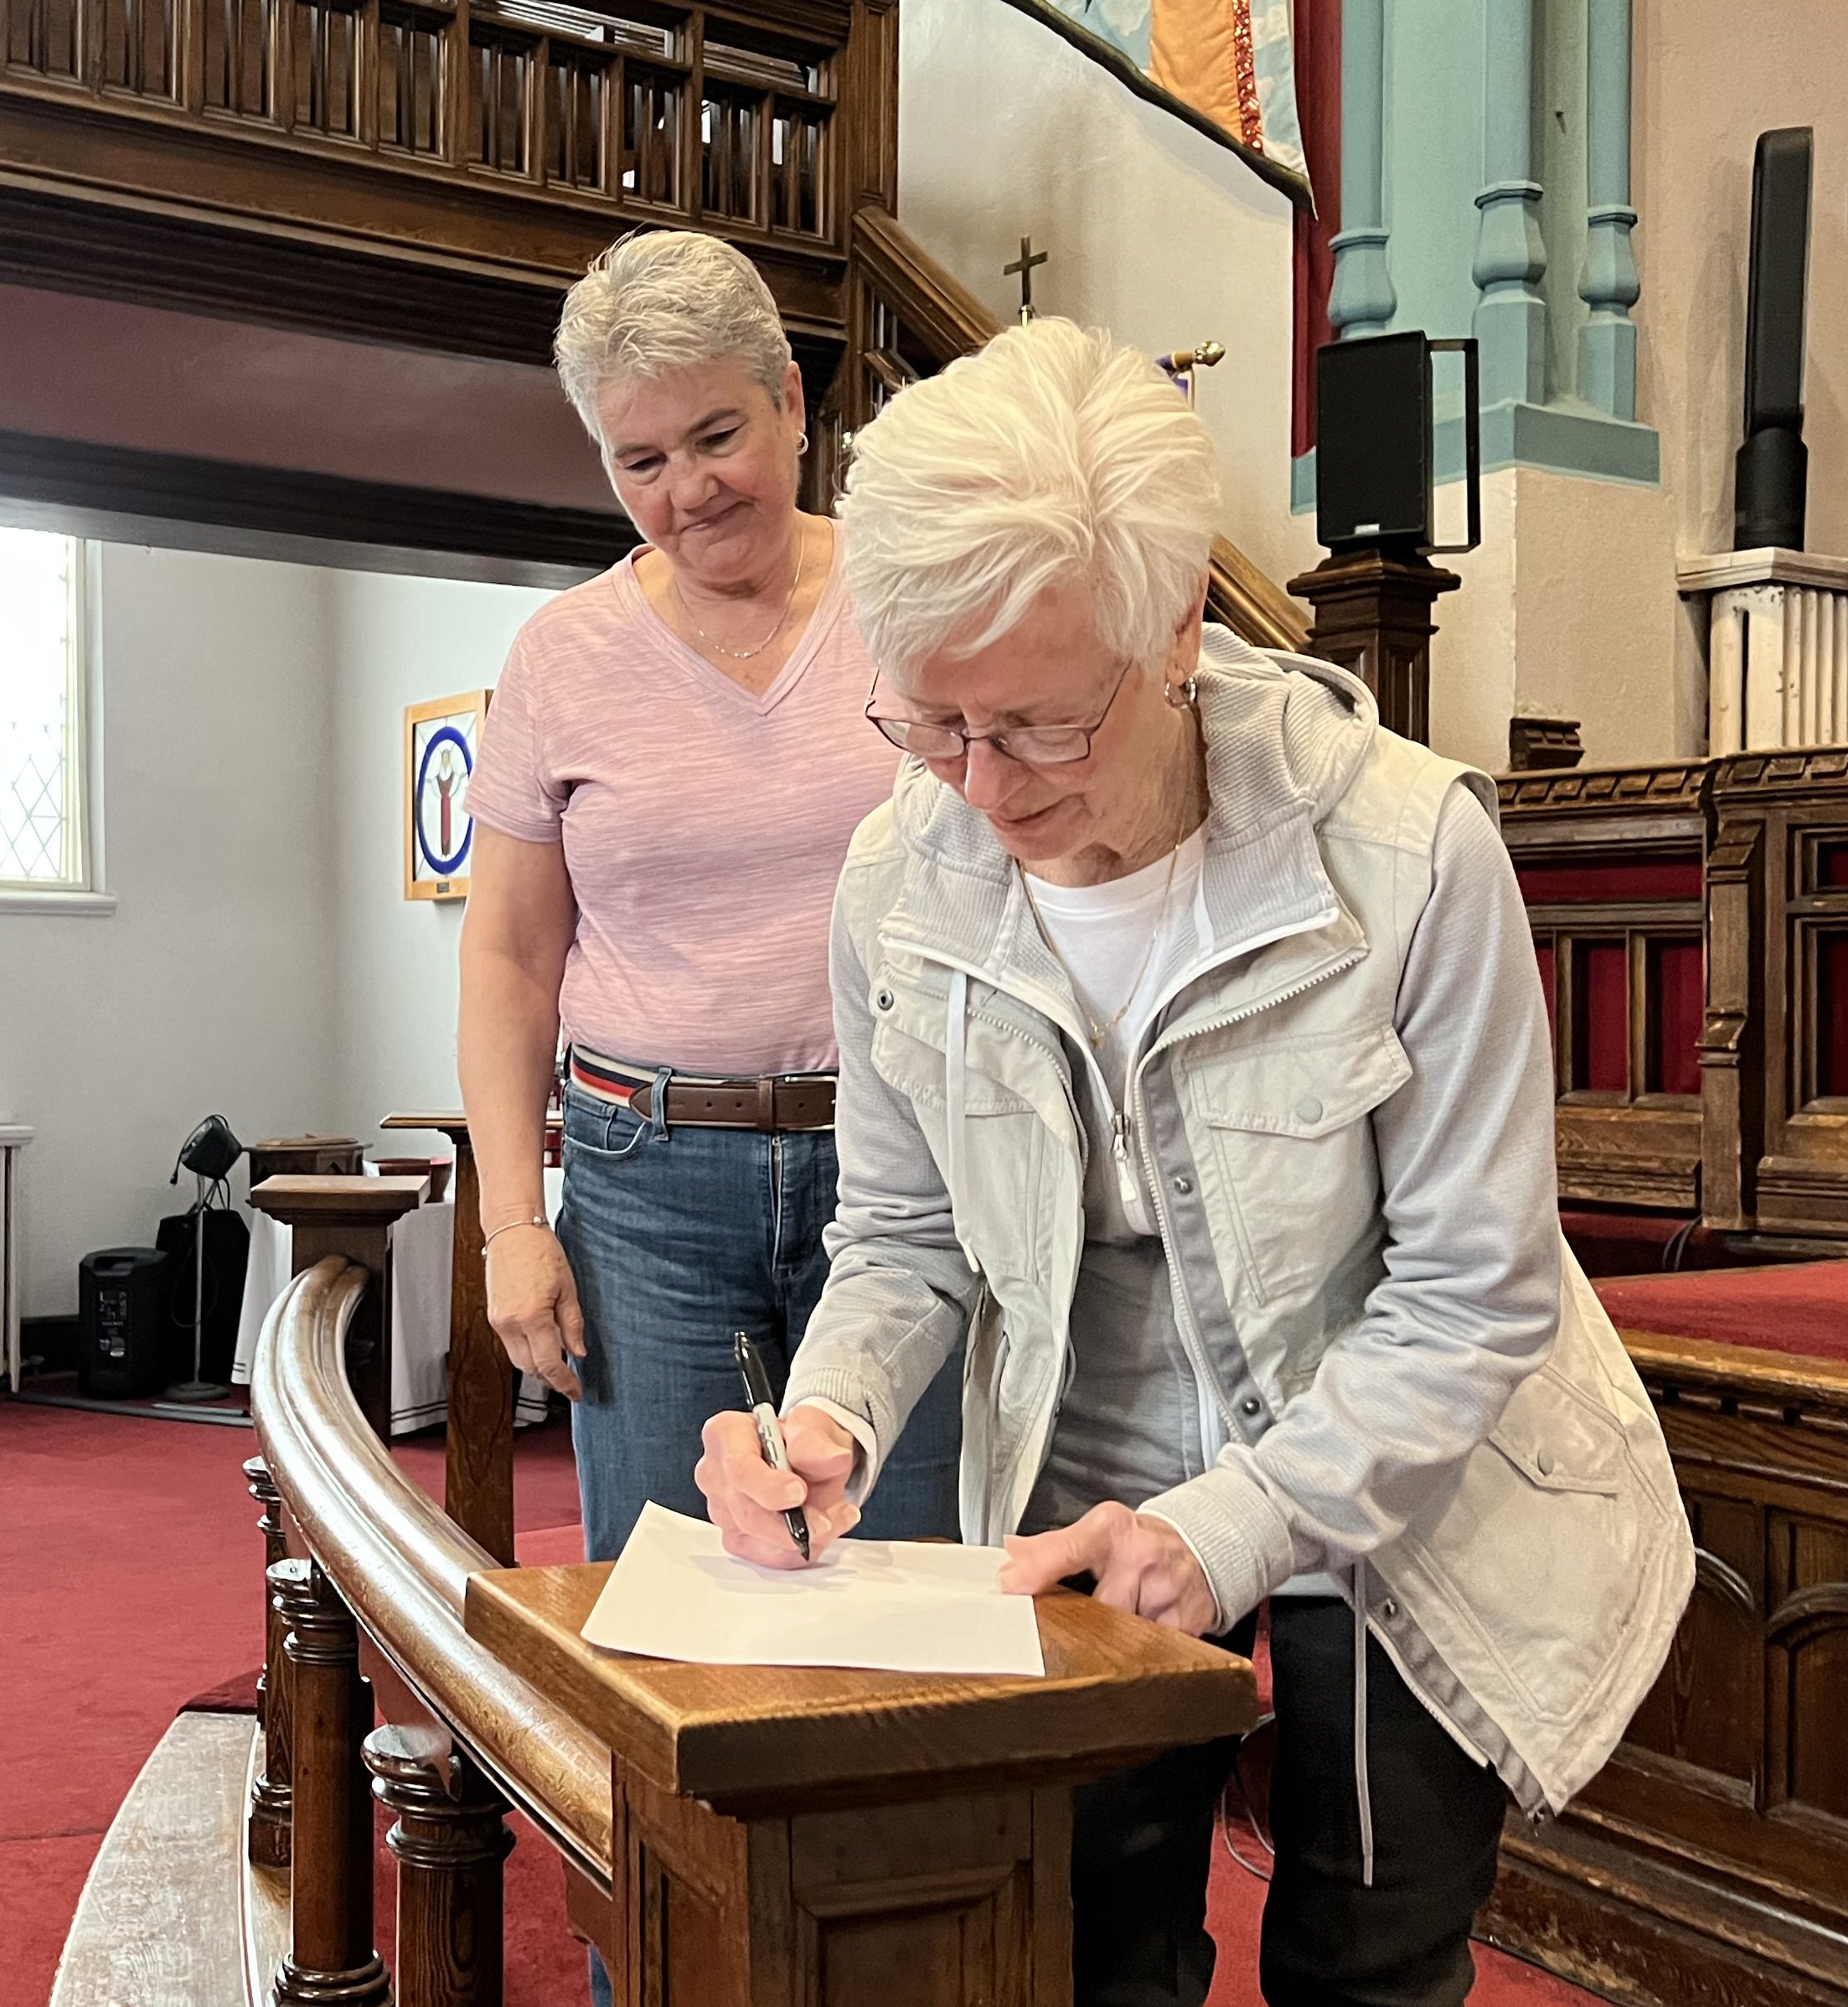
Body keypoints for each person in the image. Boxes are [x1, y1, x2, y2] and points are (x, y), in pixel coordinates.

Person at [690, 318, 1691, 2007]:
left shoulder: (1405, 851)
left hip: (1409, 1488)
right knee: (1088, 1944)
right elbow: (905, 1230)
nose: (981, 789)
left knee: (1362, 1961)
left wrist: (1234, 1526)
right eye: (930, 725)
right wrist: (832, 1414)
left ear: (1176, 630)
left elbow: (1469, 1295)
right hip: (1087, 1470)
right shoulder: (900, 874)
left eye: (1036, 727)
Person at [457, 229, 962, 1564]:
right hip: (646, 1183)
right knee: (672, 1593)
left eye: (717, 434)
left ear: (793, 400)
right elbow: (509, 961)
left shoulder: (914, 602)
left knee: (903, 1588)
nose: (688, 490)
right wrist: (513, 1223)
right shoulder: (560, 657)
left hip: (901, 1165)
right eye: (642, 461)